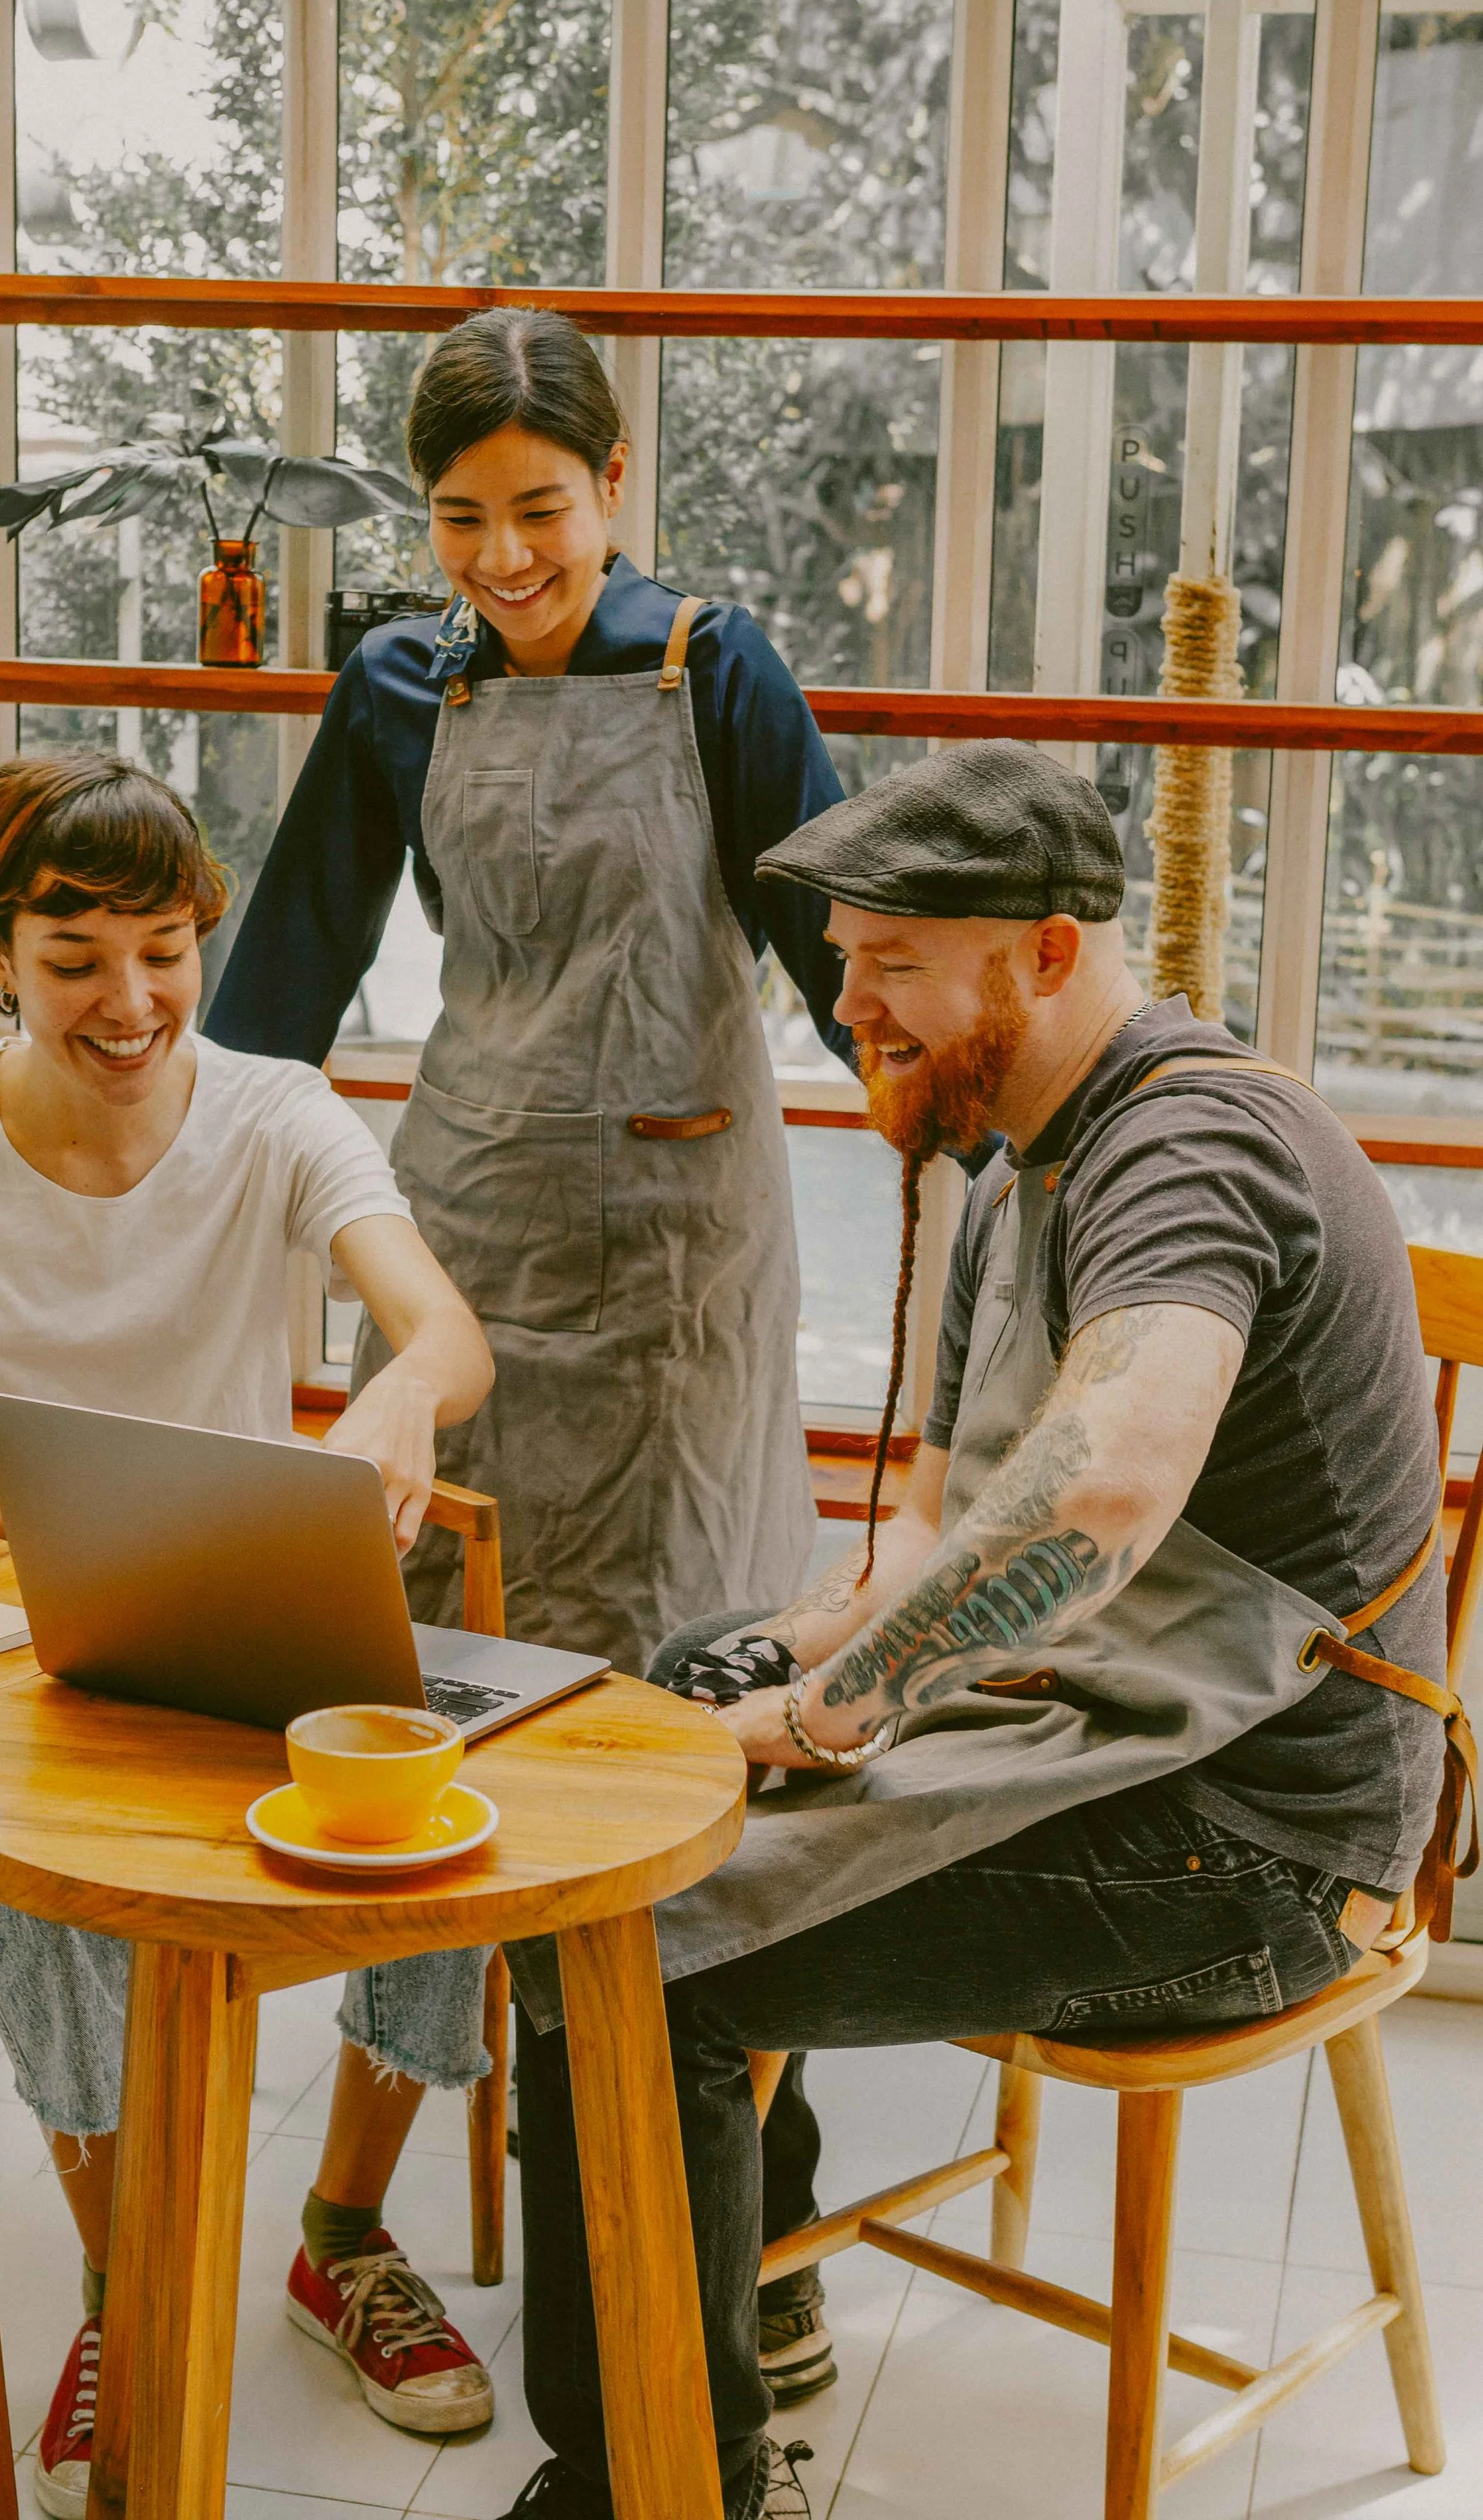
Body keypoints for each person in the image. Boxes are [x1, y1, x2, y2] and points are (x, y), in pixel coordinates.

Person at [496, 738, 1461, 2520]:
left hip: (1253, 1852)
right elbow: (937, 1501)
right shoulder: (1018, 1149)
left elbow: (1097, 1489)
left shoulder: (1185, 1143)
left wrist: (829, 1714)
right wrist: (795, 1648)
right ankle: (742, 2286)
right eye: (844, 956)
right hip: (1115, 1728)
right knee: (645, 1716)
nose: (842, 1003)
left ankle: (660, 2482)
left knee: (612, 1943)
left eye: (890, 964)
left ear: (1041, 950)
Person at [208, 306, 855, 2421]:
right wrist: (163, 1183)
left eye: (541, 509)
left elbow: (849, 966)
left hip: (682, 1266)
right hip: (471, 1237)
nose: (502, 553)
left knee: (692, 1708)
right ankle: (385, 2198)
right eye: (462, 517)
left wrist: (1014, 1149)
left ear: (616, 478)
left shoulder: (715, 667)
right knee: (449, 1713)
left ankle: (742, 2192)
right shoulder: (399, 681)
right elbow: (286, 970)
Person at [0, 750, 496, 2519]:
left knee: (453, 1822)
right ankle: (123, 2269)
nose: (129, 1000)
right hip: (20, 1638)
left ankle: (341, 2237)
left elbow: (446, 1338)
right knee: (41, 1905)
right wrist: (30, 1529)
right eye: (75, 952)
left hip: (257, 1615)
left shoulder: (274, 1108)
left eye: (162, 949)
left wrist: (397, 1405)